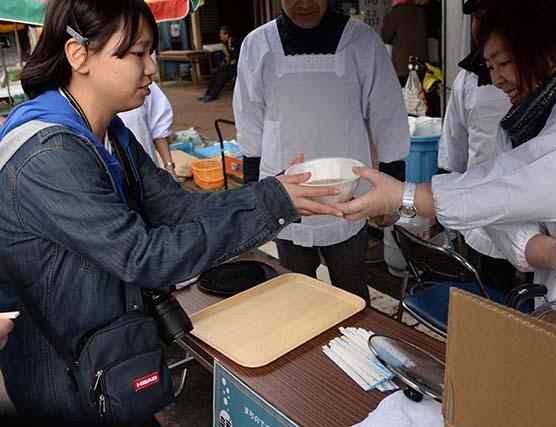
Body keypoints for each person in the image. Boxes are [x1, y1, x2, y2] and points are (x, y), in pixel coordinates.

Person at [0, 0, 343, 422]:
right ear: (79, 55)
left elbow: (180, 207)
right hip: (65, 381)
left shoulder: (108, 131)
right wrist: (273, 204)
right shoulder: (49, 156)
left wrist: (276, 194)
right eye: (137, 53)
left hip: (107, 358)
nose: (152, 69)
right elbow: (143, 257)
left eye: (152, 52)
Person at [338, 0, 556, 304]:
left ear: (549, 51)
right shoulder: (520, 123)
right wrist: (552, 252)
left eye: (503, 63)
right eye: (491, 67)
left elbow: (520, 185)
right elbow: (502, 212)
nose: (496, 80)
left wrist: (405, 196)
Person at [233, 0, 410, 303]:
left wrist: (391, 189)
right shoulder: (257, 45)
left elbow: (388, 113)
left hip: (347, 197)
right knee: (297, 297)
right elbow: (249, 120)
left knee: (352, 295)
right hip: (286, 194)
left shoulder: (361, 41)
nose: (304, 4)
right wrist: (254, 193)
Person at [437, 0, 515, 294]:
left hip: (540, 220)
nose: (481, 27)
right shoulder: (468, 79)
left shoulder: (548, 79)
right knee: (490, 298)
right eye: (477, 18)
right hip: (483, 217)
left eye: (489, 16)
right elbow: (454, 148)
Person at [118, 81, 178, 180]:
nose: (151, 72)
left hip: (149, 176)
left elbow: (159, 127)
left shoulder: (145, 83)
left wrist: (170, 168)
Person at [382, 0, 429, 85]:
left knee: (405, 91)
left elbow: (386, 37)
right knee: (421, 90)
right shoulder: (421, 12)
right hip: (422, 64)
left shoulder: (394, 14)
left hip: (403, 67)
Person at [198, 25, 241, 103]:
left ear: (226, 35)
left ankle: (213, 95)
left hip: (237, 66)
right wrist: (224, 62)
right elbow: (229, 55)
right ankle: (208, 93)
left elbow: (235, 57)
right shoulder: (227, 43)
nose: (220, 35)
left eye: (221, 34)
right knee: (215, 73)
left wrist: (228, 63)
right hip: (231, 65)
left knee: (221, 76)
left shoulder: (234, 41)